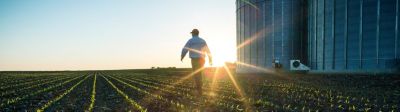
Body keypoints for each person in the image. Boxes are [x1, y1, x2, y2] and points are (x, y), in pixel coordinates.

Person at [181, 29, 212, 95]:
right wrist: (210, 59)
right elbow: (208, 50)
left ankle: (199, 89)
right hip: (202, 60)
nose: (191, 34)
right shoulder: (202, 41)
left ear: (193, 34)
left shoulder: (191, 40)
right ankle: (200, 87)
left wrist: (182, 56)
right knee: (200, 73)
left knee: (196, 74)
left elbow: (185, 49)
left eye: (192, 33)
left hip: (194, 59)